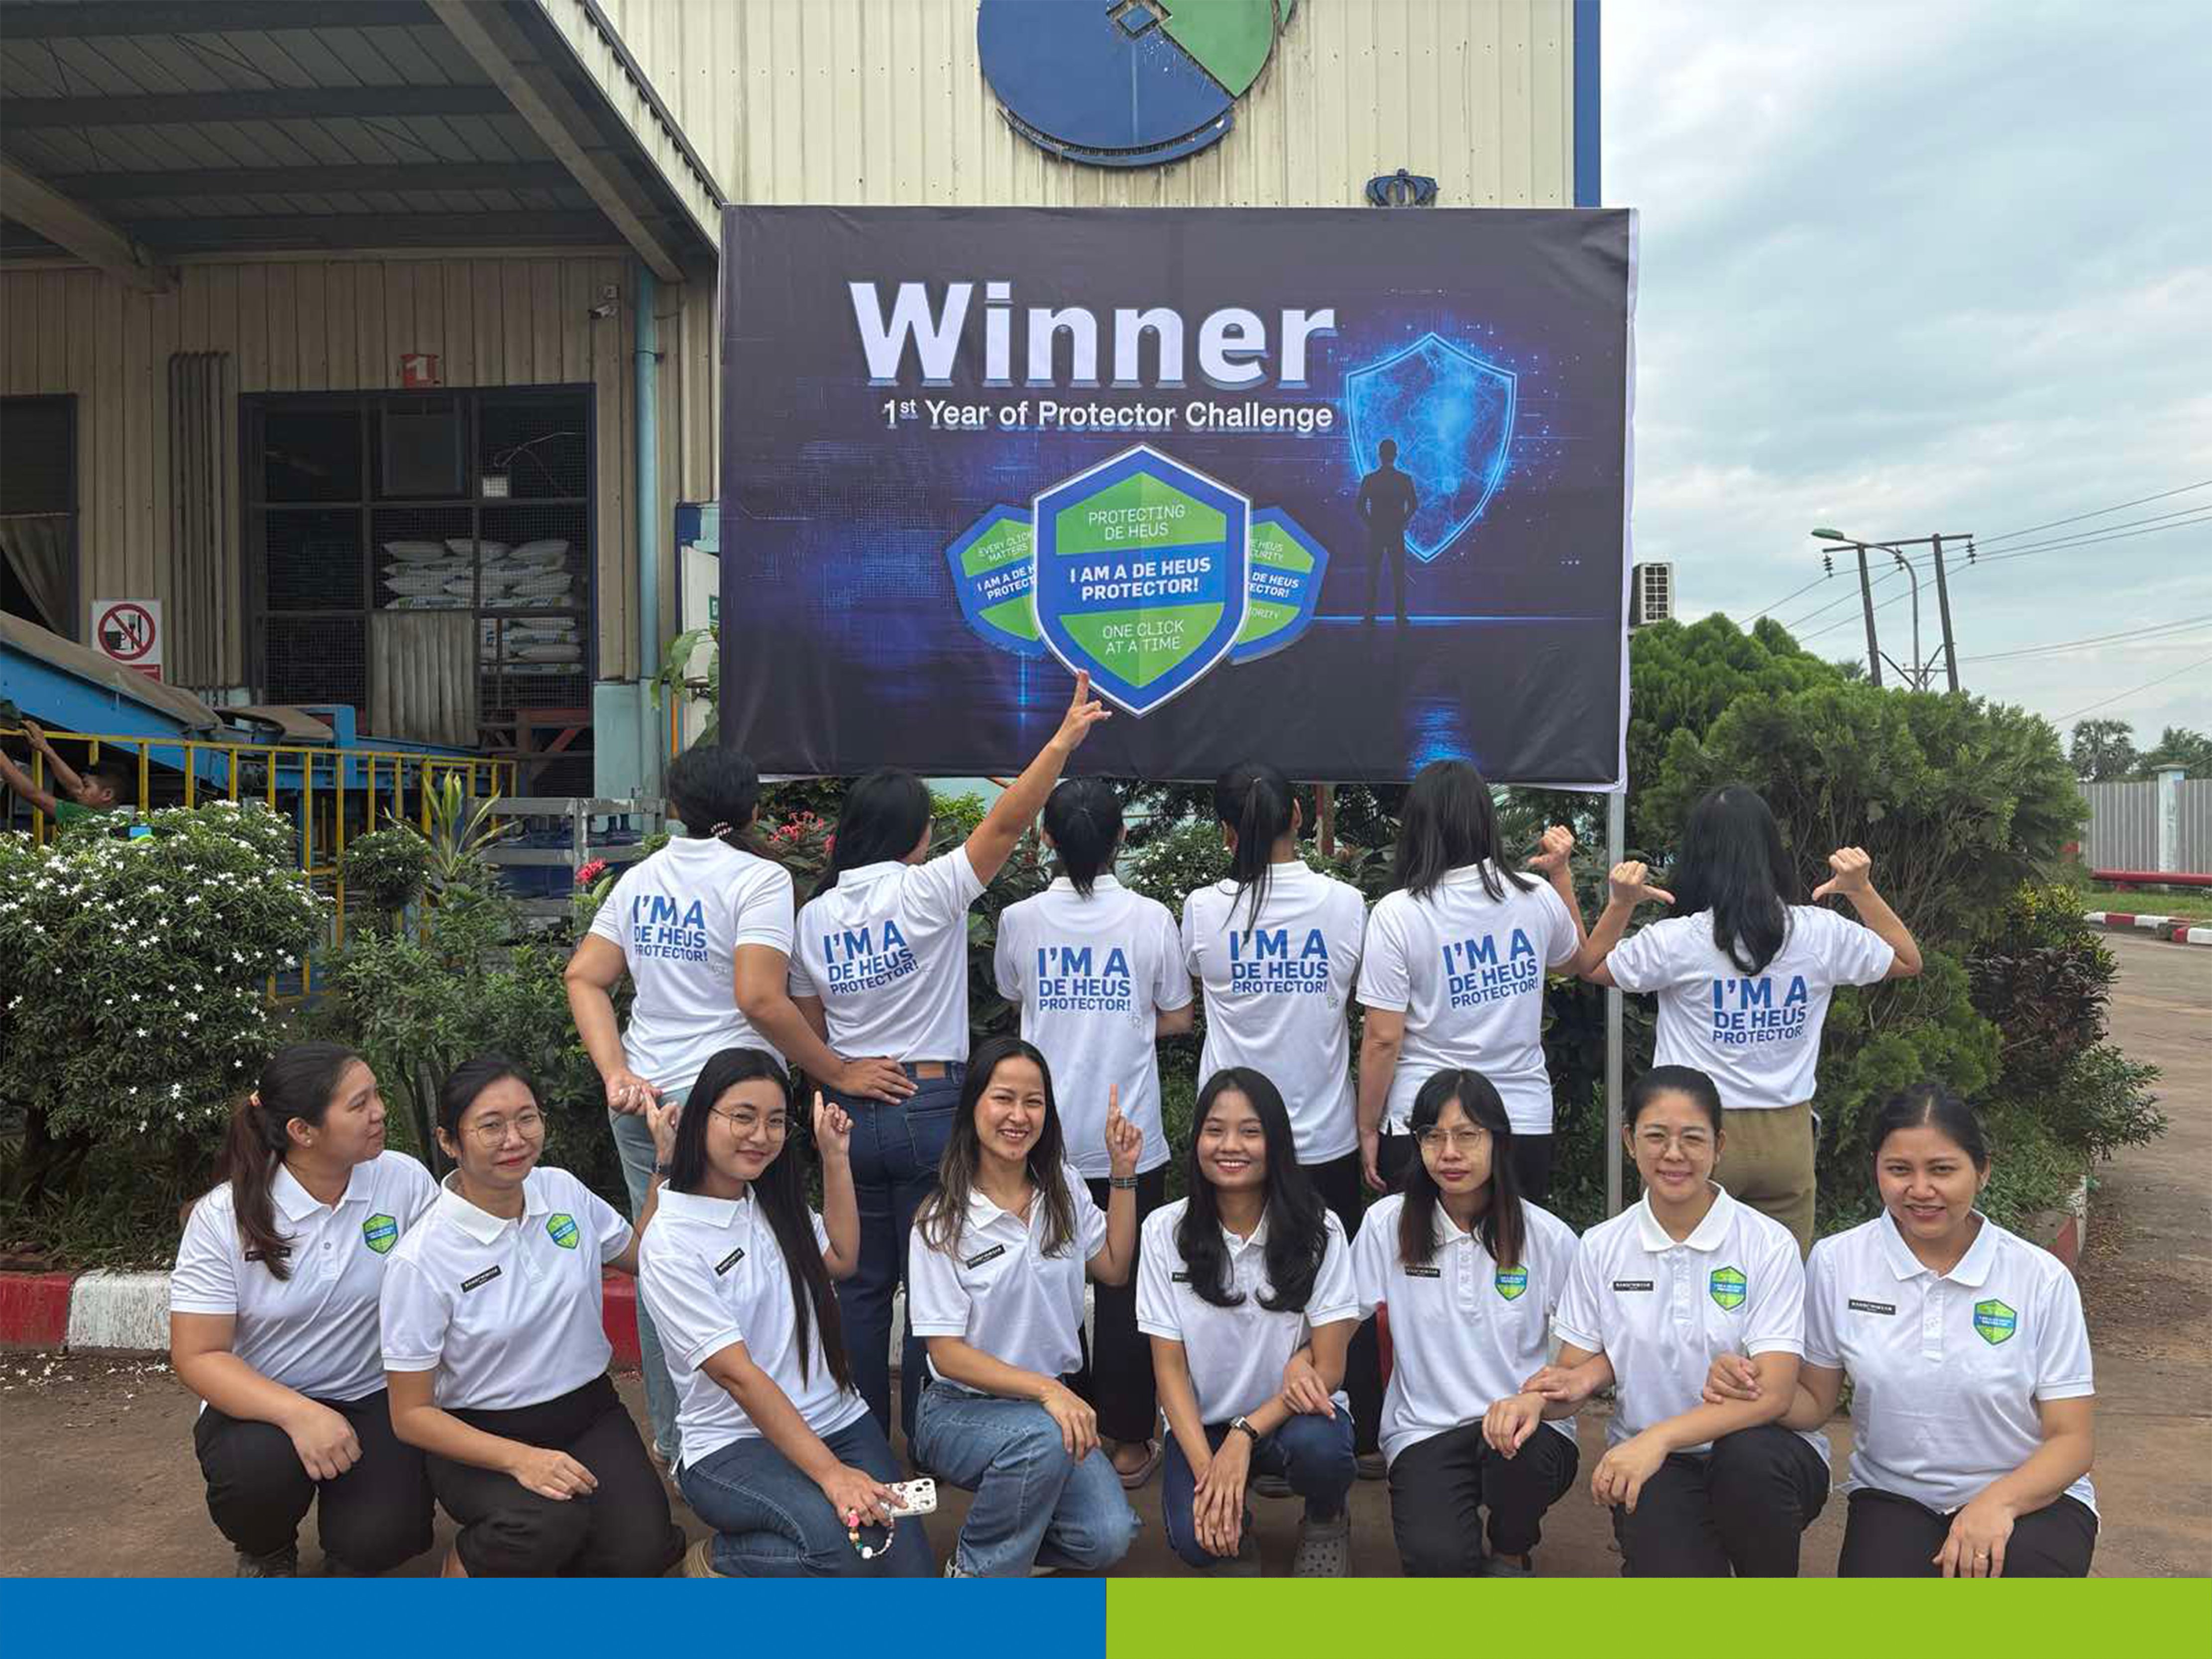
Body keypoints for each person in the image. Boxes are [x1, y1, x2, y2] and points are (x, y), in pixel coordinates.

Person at [566, 740, 911, 1467]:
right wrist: (838, 1071)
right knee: (769, 1258)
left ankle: (682, 1441)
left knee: (665, 1266)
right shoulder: (758, 879)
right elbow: (758, 998)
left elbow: (585, 977)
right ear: (752, 809)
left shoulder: (640, 878)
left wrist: (616, 1071)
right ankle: (765, 1439)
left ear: (674, 806)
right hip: (727, 1102)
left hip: (647, 1100)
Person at [788, 670, 1109, 1446]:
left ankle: (866, 1451)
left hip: (847, 1113)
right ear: (915, 835)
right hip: (931, 1107)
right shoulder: (927, 890)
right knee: (936, 1286)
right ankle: (937, 1435)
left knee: (861, 1291)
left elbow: (807, 1024)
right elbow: (1004, 825)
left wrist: (836, 1077)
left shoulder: (813, 916)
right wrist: (1062, 741)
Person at [1702, 1083, 2097, 1578]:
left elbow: (2072, 1440)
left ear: (1983, 1170)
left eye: (1942, 1170)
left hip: (2030, 1498)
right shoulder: (1838, 1261)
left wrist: (1996, 1505)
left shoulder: (2038, 1279)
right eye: (1899, 1170)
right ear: (1877, 1170)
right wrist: (1751, 1384)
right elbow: (1812, 1403)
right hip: (1896, 1497)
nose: (1920, 1190)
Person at [1582, 783, 1923, 1252]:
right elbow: (1907, 960)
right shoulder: (1818, 932)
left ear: (1697, 857)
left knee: (1680, 1275)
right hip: (1788, 1138)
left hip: (1692, 1135)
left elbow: (1592, 966)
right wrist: (1862, 890)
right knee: (1779, 1285)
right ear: (1772, 853)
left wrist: (1621, 903)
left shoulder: (1679, 939)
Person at [380, 1056, 685, 1578]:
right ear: (449, 1141)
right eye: (491, 1126)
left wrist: (665, 1163)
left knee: (643, 1550)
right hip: (481, 1432)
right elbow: (410, 1416)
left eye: (527, 1118)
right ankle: (464, 1566)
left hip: (587, 1413)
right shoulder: (421, 1257)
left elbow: (641, 1256)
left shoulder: (560, 1189)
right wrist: (520, 1459)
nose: (514, 1138)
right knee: (544, 1526)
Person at [640, 1047, 935, 1578]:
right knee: (843, 1549)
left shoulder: (770, 1203)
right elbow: (737, 1375)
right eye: (743, 1117)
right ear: (700, 1118)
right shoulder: (670, 1239)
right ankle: (721, 1562)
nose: (761, 1135)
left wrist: (836, 1156)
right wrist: (832, 1475)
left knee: (905, 1572)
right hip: (732, 1447)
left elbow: (842, 1259)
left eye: (775, 1122)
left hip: (838, 1420)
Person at [1525, 1066, 1828, 1577]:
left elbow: (1776, 1396)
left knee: (1748, 1460)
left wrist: (1657, 1438)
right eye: (1656, 1137)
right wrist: (1535, 1399)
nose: (1673, 1154)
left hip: (1764, 1458)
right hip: (1657, 1464)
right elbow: (1575, 1377)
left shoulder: (1766, 1243)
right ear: (1628, 1141)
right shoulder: (1602, 1245)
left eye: (1692, 1138)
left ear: (1719, 1145)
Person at [170, 1043, 438, 1577]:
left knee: (387, 1536)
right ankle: (267, 1551)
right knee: (255, 1475)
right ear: (303, 1131)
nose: (380, 1111)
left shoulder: (402, 1181)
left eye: (377, 1094)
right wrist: (301, 1414)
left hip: (372, 1393)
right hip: (262, 1404)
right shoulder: (225, 1215)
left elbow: (448, 1279)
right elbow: (198, 1354)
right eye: (359, 1104)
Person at [995, 774, 1192, 1487]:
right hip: (1127, 1138)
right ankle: (1131, 1443)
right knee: (1128, 1292)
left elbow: (1016, 995)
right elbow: (1178, 1012)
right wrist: (1133, 1020)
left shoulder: (1020, 921)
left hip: (1034, 1134)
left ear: (1045, 837)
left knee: (1047, 1285)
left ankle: (1061, 1433)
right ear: (1122, 838)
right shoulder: (1150, 918)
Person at [1180, 762, 1379, 1459]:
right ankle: (1334, 1437)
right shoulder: (1346, 904)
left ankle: (1251, 1427)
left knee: (1238, 1295)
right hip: (1322, 1133)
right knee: (1329, 1297)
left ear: (1227, 830)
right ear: (1299, 817)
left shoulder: (1205, 908)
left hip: (1229, 1139)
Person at [905, 1036, 1143, 1577]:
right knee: (1040, 1440)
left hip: (1046, 1410)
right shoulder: (941, 1219)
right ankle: (974, 1575)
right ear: (973, 1108)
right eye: (1003, 1099)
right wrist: (1048, 1392)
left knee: (1109, 1536)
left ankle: (1003, 1554)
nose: (1018, 1116)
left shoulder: (1063, 1186)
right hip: (960, 1410)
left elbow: (1112, 1267)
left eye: (1033, 1102)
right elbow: (945, 1353)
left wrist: (1123, 1171)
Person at [1356, 1069, 1583, 1577]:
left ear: (1498, 1142)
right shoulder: (1386, 1225)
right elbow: (1340, 1321)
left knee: (1521, 1464)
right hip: (1424, 1430)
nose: (1449, 1152)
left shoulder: (1547, 1237)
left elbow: (1584, 1350)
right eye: (1432, 1137)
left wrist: (1539, 1400)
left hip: (1525, 1428)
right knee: (1438, 1563)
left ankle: (1510, 1547)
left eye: (1466, 1135)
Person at [1139, 1069, 1358, 1576]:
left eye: (1250, 1131)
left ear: (1276, 1142)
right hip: (1202, 1427)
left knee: (1321, 1451)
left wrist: (1243, 1436)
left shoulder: (1318, 1229)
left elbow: (1329, 1368)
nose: (1230, 1146)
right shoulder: (1163, 1232)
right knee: (1199, 1541)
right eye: (1214, 1130)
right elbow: (1168, 1370)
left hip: (1288, 1419)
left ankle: (1327, 1516)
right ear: (1196, 1140)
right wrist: (1208, 1472)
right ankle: (1233, 1521)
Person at [1356, 758, 1590, 1201]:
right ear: (1486, 821)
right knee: (1512, 1263)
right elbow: (1574, 960)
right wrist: (1562, 880)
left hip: (1423, 1121)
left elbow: (1383, 1038)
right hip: (1520, 1118)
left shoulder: (1399, 912)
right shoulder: (1533, 896)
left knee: (1418, 1263)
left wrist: (1367, 1126)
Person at [0, 718, 135, 824]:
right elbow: (75, 787)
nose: (80, 790)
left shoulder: (85, 817)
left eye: (87, 787)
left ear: (107, 795)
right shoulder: (122, 818)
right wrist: (46, 749)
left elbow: (34, 794)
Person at [1355, 438, 1419, 625]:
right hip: (1395, 532)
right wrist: (1403, 521)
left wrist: (1371, 523)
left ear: (1380, 455)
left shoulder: (1370, 480)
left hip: (1377, 532)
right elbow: (1414, 505)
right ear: (1395, 455)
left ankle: (1370, 616)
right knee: (1398, 575)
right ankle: (1400, 616)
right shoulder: (1404, 479)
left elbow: (1360, 506)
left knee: (1373, 575)